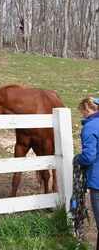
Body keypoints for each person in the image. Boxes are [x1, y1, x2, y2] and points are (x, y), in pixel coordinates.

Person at [75, 97, 99, 250]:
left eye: (82, 111)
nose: (82, 115)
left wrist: (78, 159)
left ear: (87, 109)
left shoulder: (90, 127)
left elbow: (89, 156)